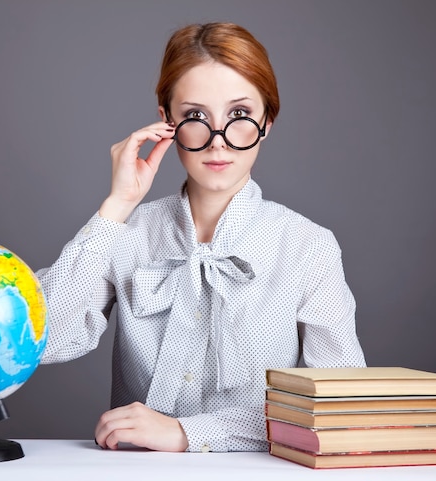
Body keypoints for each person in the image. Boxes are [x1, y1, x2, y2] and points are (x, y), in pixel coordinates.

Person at [37, 22, 366, 453]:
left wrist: (188, 433)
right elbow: (43, 339)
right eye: (195, 117)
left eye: (240, 115)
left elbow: (340, 408)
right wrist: (116, 206)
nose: (218, 143)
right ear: (167, 121)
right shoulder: (126, 235)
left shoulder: (307, 246)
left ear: (267, 121)